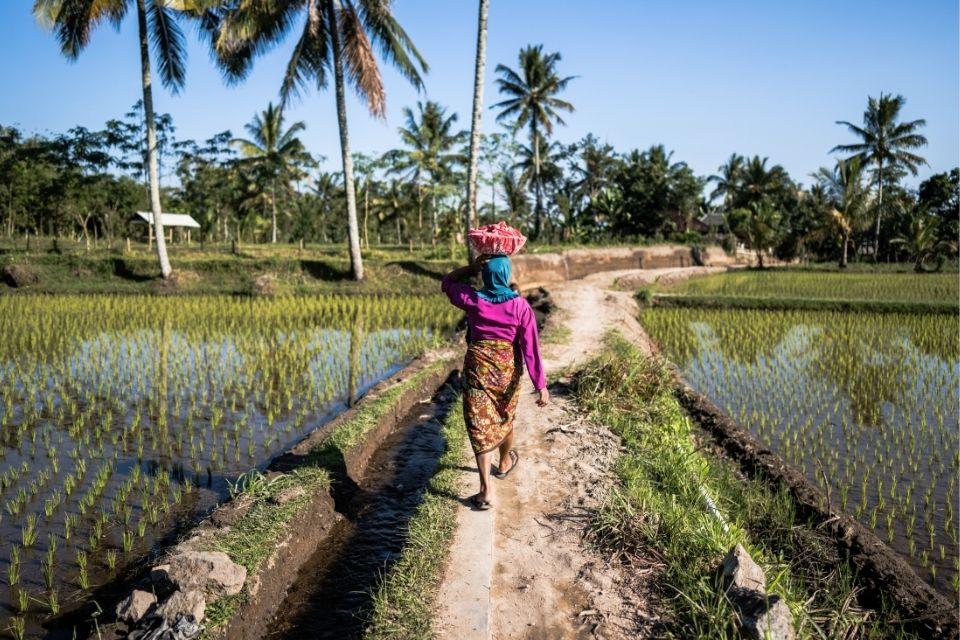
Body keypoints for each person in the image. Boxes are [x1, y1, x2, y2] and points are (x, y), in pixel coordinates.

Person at [441, 255, 548, 510]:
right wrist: (540, 384)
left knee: (479, 424)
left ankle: (485, 489)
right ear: (506, 274)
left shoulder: (474, 299)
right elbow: (531, 347)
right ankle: (503, 463)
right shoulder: (521, 307)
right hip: (506, 372)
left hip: (477, 369)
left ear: (485, 275)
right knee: (504, 417)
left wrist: (471, 267)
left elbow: (447, 282)